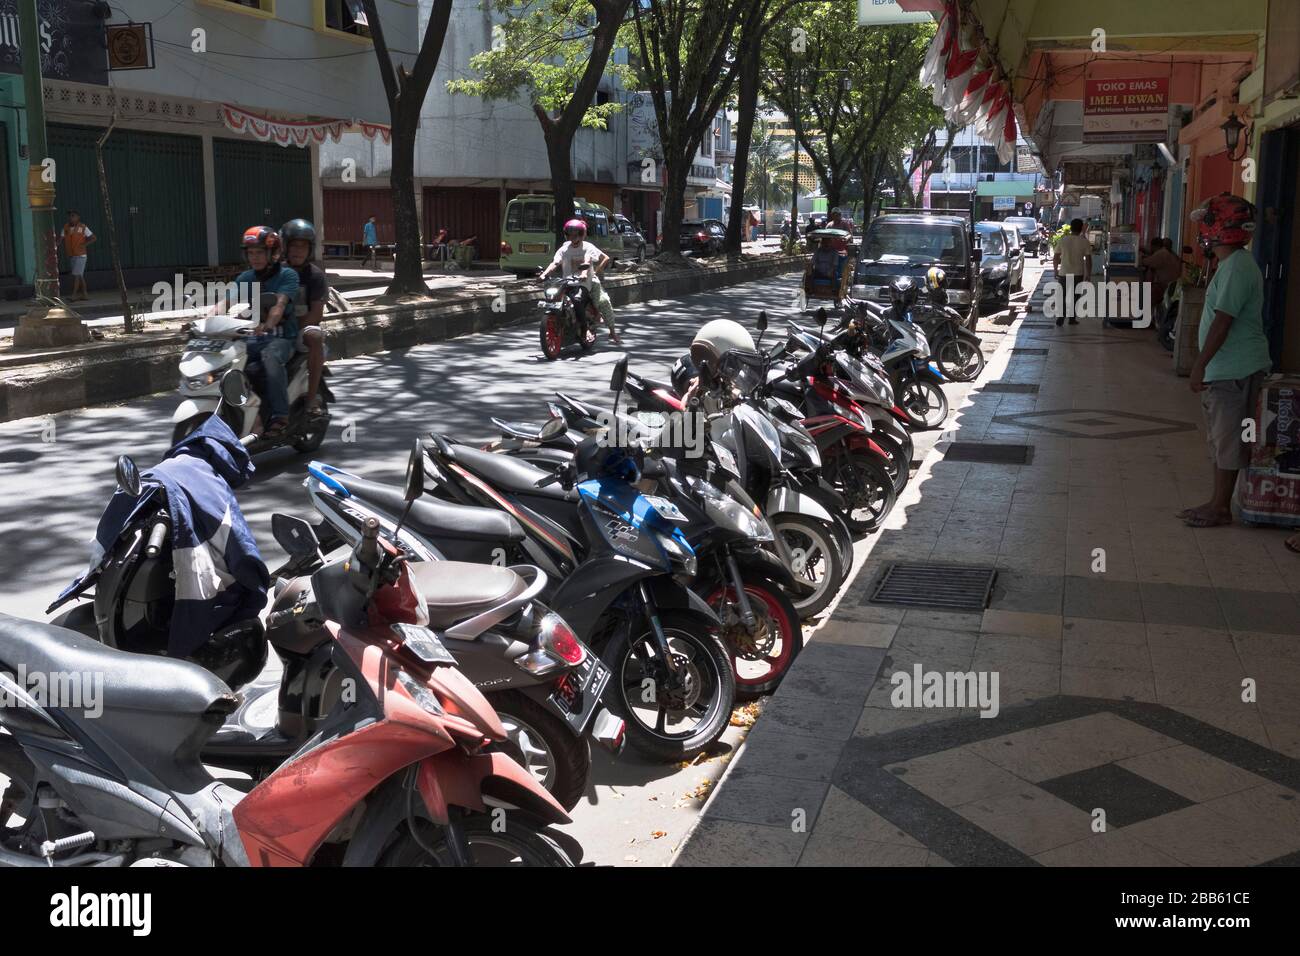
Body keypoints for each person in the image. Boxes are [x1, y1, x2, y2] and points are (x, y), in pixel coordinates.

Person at [1176, 193, 1270, 530]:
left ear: (1218, 228)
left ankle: (1220, 507)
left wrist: (1199, 364)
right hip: (1229, 369)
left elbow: (1223, 321)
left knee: (1229, 438)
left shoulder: (1237, 267)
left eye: (1207, 223)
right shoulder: (1232, 265)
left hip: (1235, 370)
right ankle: (1219, 502)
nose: (1203, 230)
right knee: (1223, 438)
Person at [220, 226, 300, 440]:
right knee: (228, 361)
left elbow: (279, 304)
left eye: (259, 252)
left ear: (273, 254)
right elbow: (225, 302)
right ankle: (249, 414)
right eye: (251, 253)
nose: (254, 257)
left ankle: (280, 416)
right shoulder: (245, 278)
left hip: (282, 337)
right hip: (253, 337)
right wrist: (204, 321)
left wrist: (268, 324)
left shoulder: (287, 275)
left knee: (270, 357)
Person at [539, 218, 621, 345]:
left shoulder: (587, 247)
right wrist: (544, 274)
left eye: (576, 234)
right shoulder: (563, 249)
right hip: (567, 282)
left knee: (598, 301)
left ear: (582, 234)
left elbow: (587, 261)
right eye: (570, 234)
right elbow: (555, 263)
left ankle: (589, 329)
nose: (573, 237)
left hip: (585, 282)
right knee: (552, 297)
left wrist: (585, 273)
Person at [280, 218, 329, 417]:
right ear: (285, 247)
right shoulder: (276, 272)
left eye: (303, 246)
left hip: (302, 328)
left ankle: (310, 400)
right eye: (293, 245)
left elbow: (316, 313)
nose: (298, 251)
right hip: (275, 328)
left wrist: (291, 327)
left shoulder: (315, 276)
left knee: (315, 337)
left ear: (310, 249)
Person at [1052, 217, 1092, 326]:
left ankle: (1060, 318)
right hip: (1078, 274)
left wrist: (1055, 270)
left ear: (1071, 228)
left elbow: (1056, 257)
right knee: (1075, 297)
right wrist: (1088, 274)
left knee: (1062, 296)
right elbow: (1088, 260)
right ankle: (1071, 319)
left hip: (1064, 273)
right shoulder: (1084, 242)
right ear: (1081, 229)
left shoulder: (1063, 240)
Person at [1140, 236, 1184, 321]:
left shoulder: (1161, 254)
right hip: (1173, 285)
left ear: (1154, 246)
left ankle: (1145, 319)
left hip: (1166, 286)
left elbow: (1145, 262)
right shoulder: (1168, 253)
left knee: (1146, 293)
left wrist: (1140, 257)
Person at [61, 210, 97, 301]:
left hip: (81, 255)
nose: (71, 218)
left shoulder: (83, 227)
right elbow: (61, 238)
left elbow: (93, 238)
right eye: (70, 216)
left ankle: (74, 295)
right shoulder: (66, 227)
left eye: (73, 216)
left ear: (78, 217)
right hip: (72, 255)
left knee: (77, 275)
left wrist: (84, 245)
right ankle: (85, 294)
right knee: (80, 275)